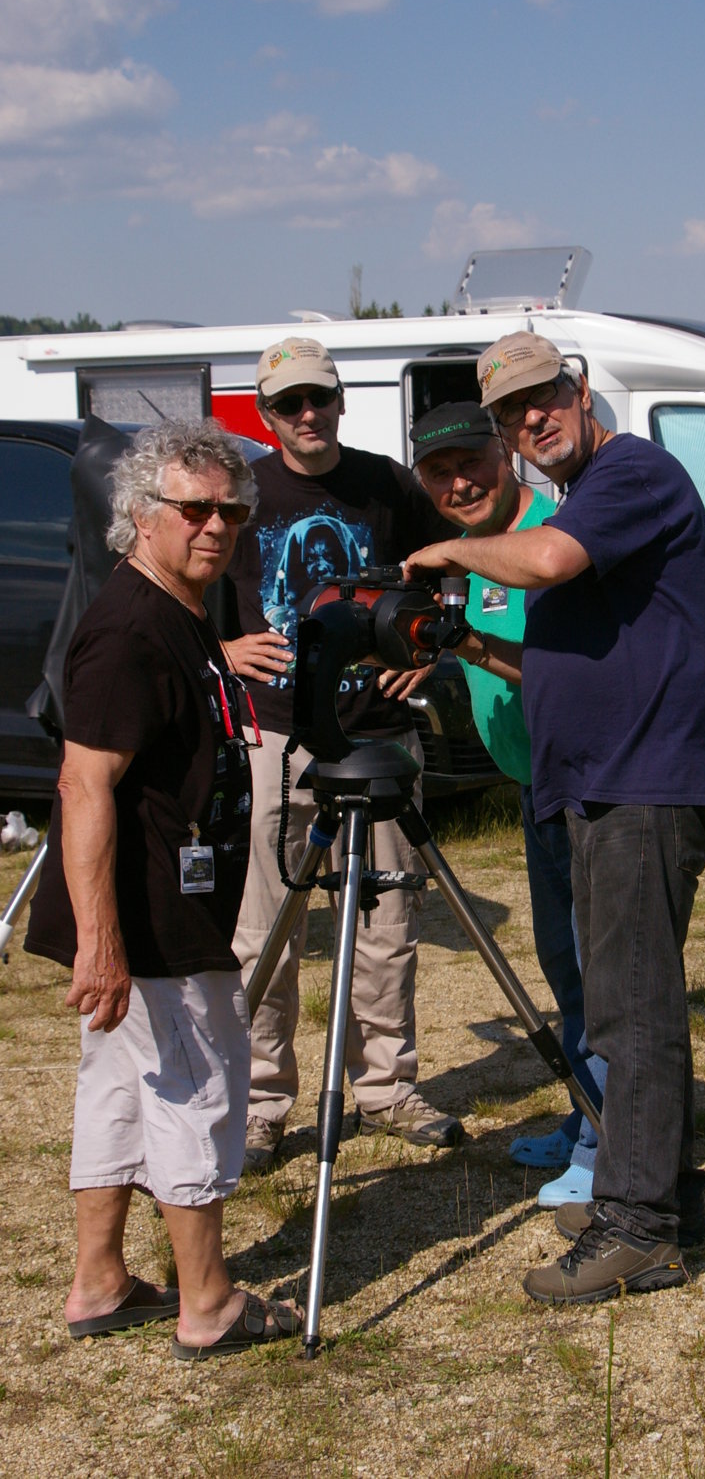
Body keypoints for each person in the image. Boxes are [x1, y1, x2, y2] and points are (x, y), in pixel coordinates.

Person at [405, 333, 705, 1304]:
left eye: (542, 396)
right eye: (512, 412)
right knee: (626, 1002)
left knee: (630, 1012)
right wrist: (466, 642)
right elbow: (553, 657)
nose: (532, 418)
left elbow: (546, 558)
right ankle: (663, 1192)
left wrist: (450, 548)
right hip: (599, 785)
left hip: (643, 783)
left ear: (580, 389)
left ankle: (638, 1229)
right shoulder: (594, 494)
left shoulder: (631, 472)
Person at [25, 420, 301, 1358]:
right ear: (142, 516)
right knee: (195, 1087)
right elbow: (83, 785)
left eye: (231, 511)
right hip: (147, 915)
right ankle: (208, 1303)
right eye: (193, 509)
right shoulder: (130, 628)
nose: (215, 526)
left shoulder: (179, 613)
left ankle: (100, 1280)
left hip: (151, 905)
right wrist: (103, 943)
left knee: (119, 1090)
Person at [223, 337, 462, 1171]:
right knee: (265, 932)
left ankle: (387, 1088)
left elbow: (452, 569)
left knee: (386, 922)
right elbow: (179, 587)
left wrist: (433, 649)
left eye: (318, 397)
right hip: (274, 735)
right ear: (266, 414)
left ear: (340, 400)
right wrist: (222, 649)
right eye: (288, 403)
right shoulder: (240, 493)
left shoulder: (389, 484)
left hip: (379, 733)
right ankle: (259, 1104)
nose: (307, 414)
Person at [409, 402, 606, 1206]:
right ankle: (587, 1112)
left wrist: (467, 644)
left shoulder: (546, 536)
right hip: (535, 784)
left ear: (504, 452)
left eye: (472, 463)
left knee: (595, 971)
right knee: (563, 965)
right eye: (440, 473)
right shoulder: (475, 553)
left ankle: (604, 1147)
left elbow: (562, 668)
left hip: (587, 790)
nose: (460, 484)